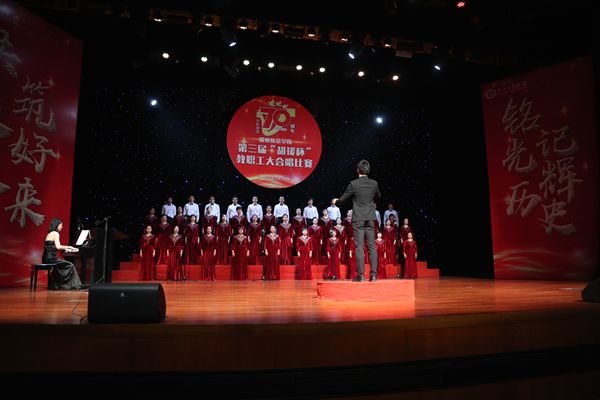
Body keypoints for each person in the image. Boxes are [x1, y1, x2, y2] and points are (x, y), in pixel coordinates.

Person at [333, 159, 381, 282]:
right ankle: (373, 275)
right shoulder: (374, 183)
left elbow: (342, 200)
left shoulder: (354, 184)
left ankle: (361, 276)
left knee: (359, 246)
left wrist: (336, 202)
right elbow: (378, 196)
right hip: (370, 218)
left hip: (358, 218)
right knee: (371, 246)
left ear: (358, 171)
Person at [41, 218, 83, 290]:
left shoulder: (50, 233)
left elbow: (52, 247)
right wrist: (69, 247)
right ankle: (73, 285)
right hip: (51, 259)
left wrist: (67, 249)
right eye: (61, 225)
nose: (62, 227)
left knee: (59, 266)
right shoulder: (55, 233)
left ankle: (56, 285)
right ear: (57, 225)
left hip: (46, 258)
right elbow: (58, 246)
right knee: (71, 265)